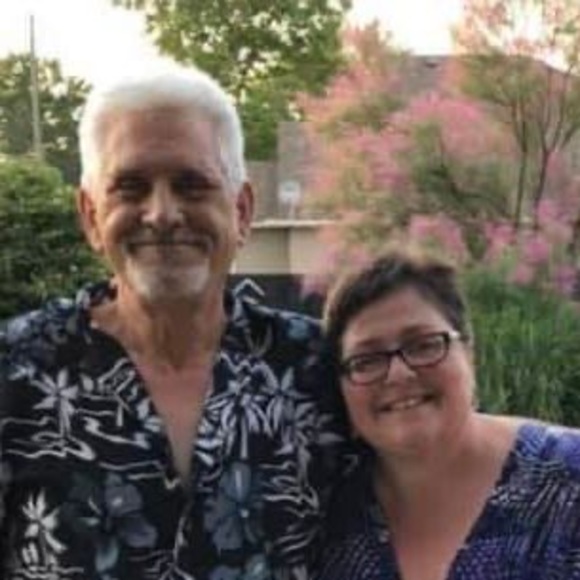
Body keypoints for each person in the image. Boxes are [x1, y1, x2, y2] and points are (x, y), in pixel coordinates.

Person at [0, 63, 346, 579]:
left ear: (242, 210)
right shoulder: (16, 372)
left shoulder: (317, 370)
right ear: (91, 216)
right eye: (131, 187)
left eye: (192, 185)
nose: (162, 213)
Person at [317, 249, 580, 580]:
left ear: (469, 352)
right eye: (366, 360)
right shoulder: (323, 512)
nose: (399, 374)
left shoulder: (566, 482)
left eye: (423, 345)